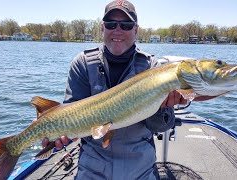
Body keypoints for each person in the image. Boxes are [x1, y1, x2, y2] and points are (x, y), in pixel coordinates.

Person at [42, 0, 187, 179]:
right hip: (92, 168)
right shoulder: (83, 64)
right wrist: (63, 135)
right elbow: (71, 114)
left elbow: (161, 126)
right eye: (111, 24)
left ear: (136, 30)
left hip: (140, 167)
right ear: (102, 28)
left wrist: (164, 107)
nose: (117, 30)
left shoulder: (152, 68)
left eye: (126, 25)